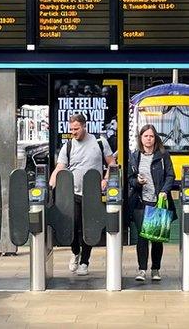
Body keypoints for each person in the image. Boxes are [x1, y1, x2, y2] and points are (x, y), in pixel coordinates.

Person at [49, 113, 116, 276]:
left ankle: (85, 262)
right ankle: (75, 252)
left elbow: (112, 163)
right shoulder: (68, 146)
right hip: (73, 193)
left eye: (76, 129)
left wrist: (106, 179)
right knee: (73, 226)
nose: (73, 132)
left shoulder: (100, 143)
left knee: (89, 228)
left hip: (92, 194)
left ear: (84, 126)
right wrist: (49, 186)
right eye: (71, 129)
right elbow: (60, 168)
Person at [127, 124, 176, 282]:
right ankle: (142, 270)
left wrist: (164, 191)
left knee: (156, 239)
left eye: (151, 136)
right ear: (140, 138)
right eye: (145, 136)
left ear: (155, 138)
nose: (148, 139)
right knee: (142, 238)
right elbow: (130, 178)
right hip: (141, 202)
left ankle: (155, 269)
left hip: (158, 201)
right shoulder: (135, 156)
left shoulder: (163, 155)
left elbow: (170, 175)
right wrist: (137, 181)